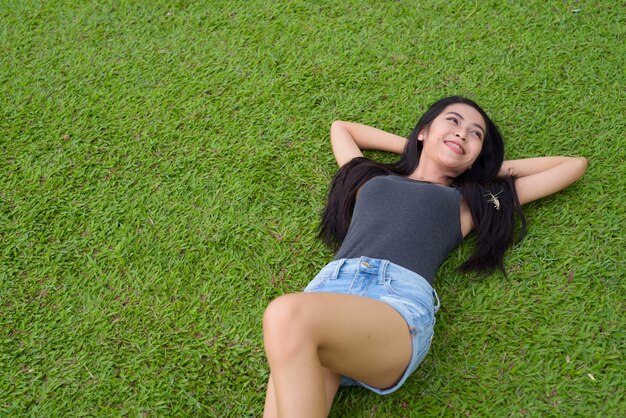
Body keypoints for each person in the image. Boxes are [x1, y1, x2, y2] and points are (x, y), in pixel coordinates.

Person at [261, 96, 587, 418]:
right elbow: (342, 128)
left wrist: (484, 171)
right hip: (326, 299)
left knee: (285, 315)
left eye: (476, 134)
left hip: (394, 306)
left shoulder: (468, 201)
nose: (462, 134)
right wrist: (420, 145)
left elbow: (572, 165)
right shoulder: (369, 178)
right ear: (424, 130)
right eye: (454, 122)